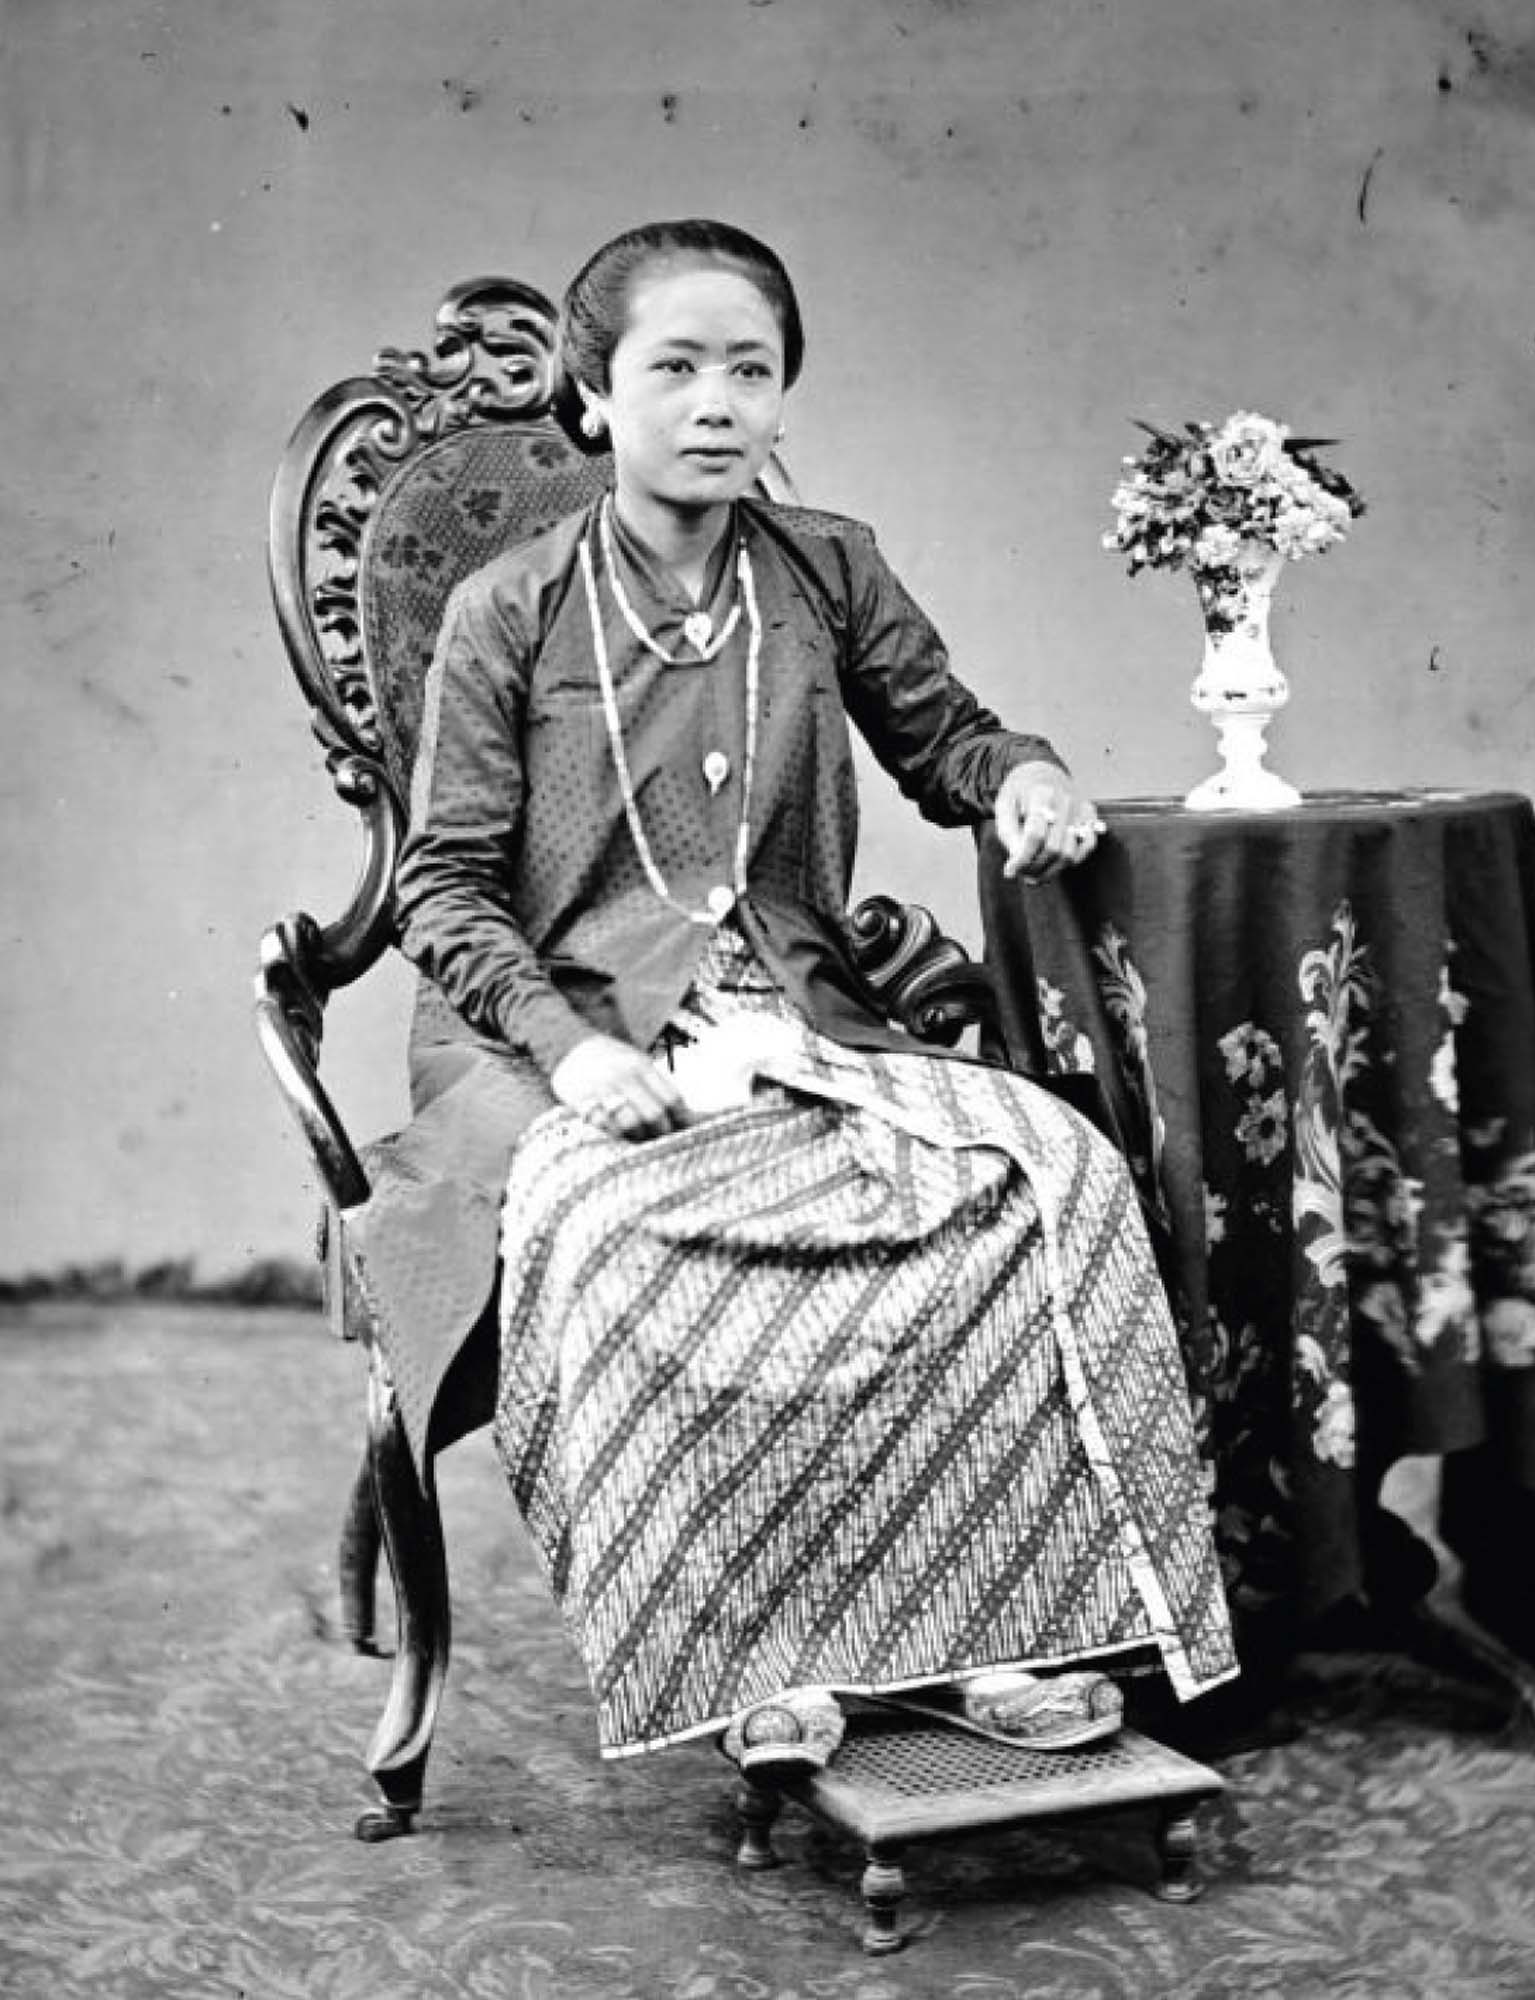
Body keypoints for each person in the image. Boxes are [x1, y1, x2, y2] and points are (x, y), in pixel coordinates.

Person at [348, 219, 1237, 1771]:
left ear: (782, 398)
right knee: (624, 1239)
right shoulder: (513, 607)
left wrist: (1019, 774)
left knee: (1046, 1181)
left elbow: (946, 731)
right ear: (595, 397)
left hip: (799, 1015)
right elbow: (440, 890)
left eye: (747, 371)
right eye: (673, 368)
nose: (714, 403)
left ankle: (992, 1640)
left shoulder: (826, 565)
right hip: (560, 1032)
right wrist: (567, 1058)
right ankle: (765, 1669)